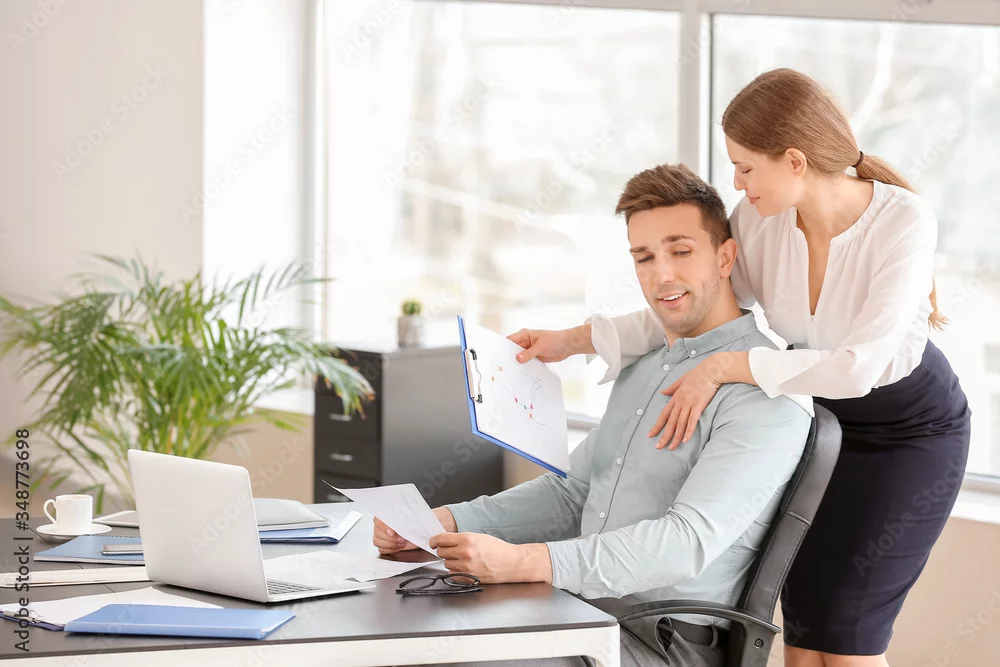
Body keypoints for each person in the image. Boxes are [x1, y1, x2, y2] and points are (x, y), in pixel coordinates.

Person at [510, 69, 971, 667]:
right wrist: (572, 341)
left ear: (795, 161)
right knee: (804, 627)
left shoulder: (902, 220)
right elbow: (695, 301)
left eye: (746, 167)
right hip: (816, 421)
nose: (736, 183)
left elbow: (859, 370)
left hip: (907, 431)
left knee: (847, 632)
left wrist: (726, 367)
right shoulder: (760, 219)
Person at [374, 163, 812, 667]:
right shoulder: (644, 364)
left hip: (660, 643)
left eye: (681, 251)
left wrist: (524, 561)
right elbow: (573, 494)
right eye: (644, 257)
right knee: (400, 637)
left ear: (725, 256)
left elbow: (685, 542)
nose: (662, 275)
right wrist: (442, 524)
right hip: (579, 610)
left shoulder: (764, 395)